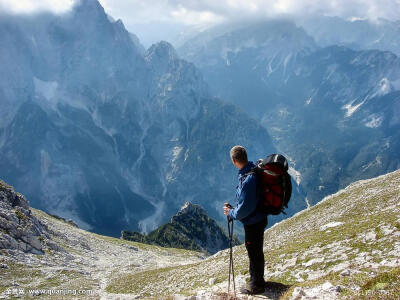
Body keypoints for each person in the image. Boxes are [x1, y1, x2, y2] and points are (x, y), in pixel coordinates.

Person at [223, 145, 268, 295]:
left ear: (234, 160)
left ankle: (256, 285)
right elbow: (246, 202)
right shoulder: (252, 169)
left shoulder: (248, 178)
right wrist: (234, 209)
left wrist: (231, 212)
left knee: (253, 252)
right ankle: (258, 280)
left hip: (253, 222)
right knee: (256, 251)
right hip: (259, 217)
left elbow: (244, 210)